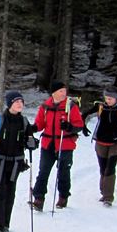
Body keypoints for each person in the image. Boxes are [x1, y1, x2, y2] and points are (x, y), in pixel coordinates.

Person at [0, 91, 37, 232]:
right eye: (16, 102)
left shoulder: (24, 122)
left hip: (16, 162)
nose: (19, 104)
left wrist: (33, 143)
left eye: (21, 102)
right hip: (0, 161)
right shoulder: (0, 120)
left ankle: (5, 223)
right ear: (10, 104)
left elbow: (29, 139)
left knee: (10, 192)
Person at [31, 81, 84, 211]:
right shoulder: (45, 106)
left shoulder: (70, 106)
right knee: (43, 171)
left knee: (63, 172)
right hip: (48, 144)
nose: (63, 93)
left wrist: (69, 127)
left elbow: (79, 125)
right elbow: (40, 124)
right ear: (54, 92)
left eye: (64, 91)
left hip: (65, 144)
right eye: (61, 91)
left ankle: (63, 196)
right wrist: (32, 128)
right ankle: (38, 198)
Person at [82, 88, 117, 206]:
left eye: (110, 98)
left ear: (116, 98)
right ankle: (103, 191)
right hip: (100, 142)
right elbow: (85, 114)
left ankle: (108, 197)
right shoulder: (100, 107)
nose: (107, 100)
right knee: (103, 168)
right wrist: (83, 127)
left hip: (116, 143)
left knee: (110, 168)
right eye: (106, 98)